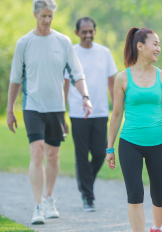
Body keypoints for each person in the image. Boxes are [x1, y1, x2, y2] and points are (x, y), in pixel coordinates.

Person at [7, 0, 92, 225]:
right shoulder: (24, 43)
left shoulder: (63, 41)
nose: (46, 20)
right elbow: (15, 79)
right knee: (37, 152)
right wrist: (10, 109)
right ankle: (37, 206)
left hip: (56, 108)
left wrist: (85, 96)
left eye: (50, 16)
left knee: (53, 156)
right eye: (43, 16)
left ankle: (48, 198)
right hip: (32, 107)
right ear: (35, 14)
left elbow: (77, 73)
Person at [105, 27, 162, 232]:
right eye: (155, 44)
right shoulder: (122, 78)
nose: (158, 48)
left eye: (159, 44)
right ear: (140, 46)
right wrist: (110, 148)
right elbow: (116, 115)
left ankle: (156, 227)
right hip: (130, 143)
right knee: (135, 194)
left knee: (160, 196)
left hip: (159, 142)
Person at [64, 17, 118, 212]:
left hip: (101, 111)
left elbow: (112, 82)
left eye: (91, 31)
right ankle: (88, 196)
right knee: (81, 155)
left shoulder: (104, 53)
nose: (88, 35)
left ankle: (84, 181)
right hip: (78, 113)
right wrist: (63, 113)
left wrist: (116, 108)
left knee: (99, 152)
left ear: (95, 31)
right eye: (84, 32)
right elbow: (66, 84)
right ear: (77, 33)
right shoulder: (71, 53)